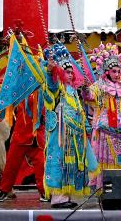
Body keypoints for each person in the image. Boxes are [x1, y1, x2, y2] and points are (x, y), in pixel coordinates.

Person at [41, 44, 99, 209]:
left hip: (74, 135)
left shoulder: (72, 91)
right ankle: (58, 198)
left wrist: (86, 129)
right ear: (60, 72)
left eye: (72, 72)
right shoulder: (57, 88)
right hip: (61, 134)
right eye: (67, 71)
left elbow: (79, 111)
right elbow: (51, 87)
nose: (71, 74)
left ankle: (66, 196)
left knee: (72, 165)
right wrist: (50, 71)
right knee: (60, 163)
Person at [86, 43, 121, 186]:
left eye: (118, 71)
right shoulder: (99, 86)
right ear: (107, 72)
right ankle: (103, 187)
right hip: (106, 133)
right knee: (106, 163)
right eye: (113, 71)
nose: (116, 74)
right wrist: (85, 89)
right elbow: (89, 97)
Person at [0, 90, 46, 203]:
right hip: (21, 133)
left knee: (41, 164)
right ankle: (4, 190)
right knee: (11, 164)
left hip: (36, 134)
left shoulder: (44, 89)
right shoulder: (21, 90)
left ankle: (44, 191)